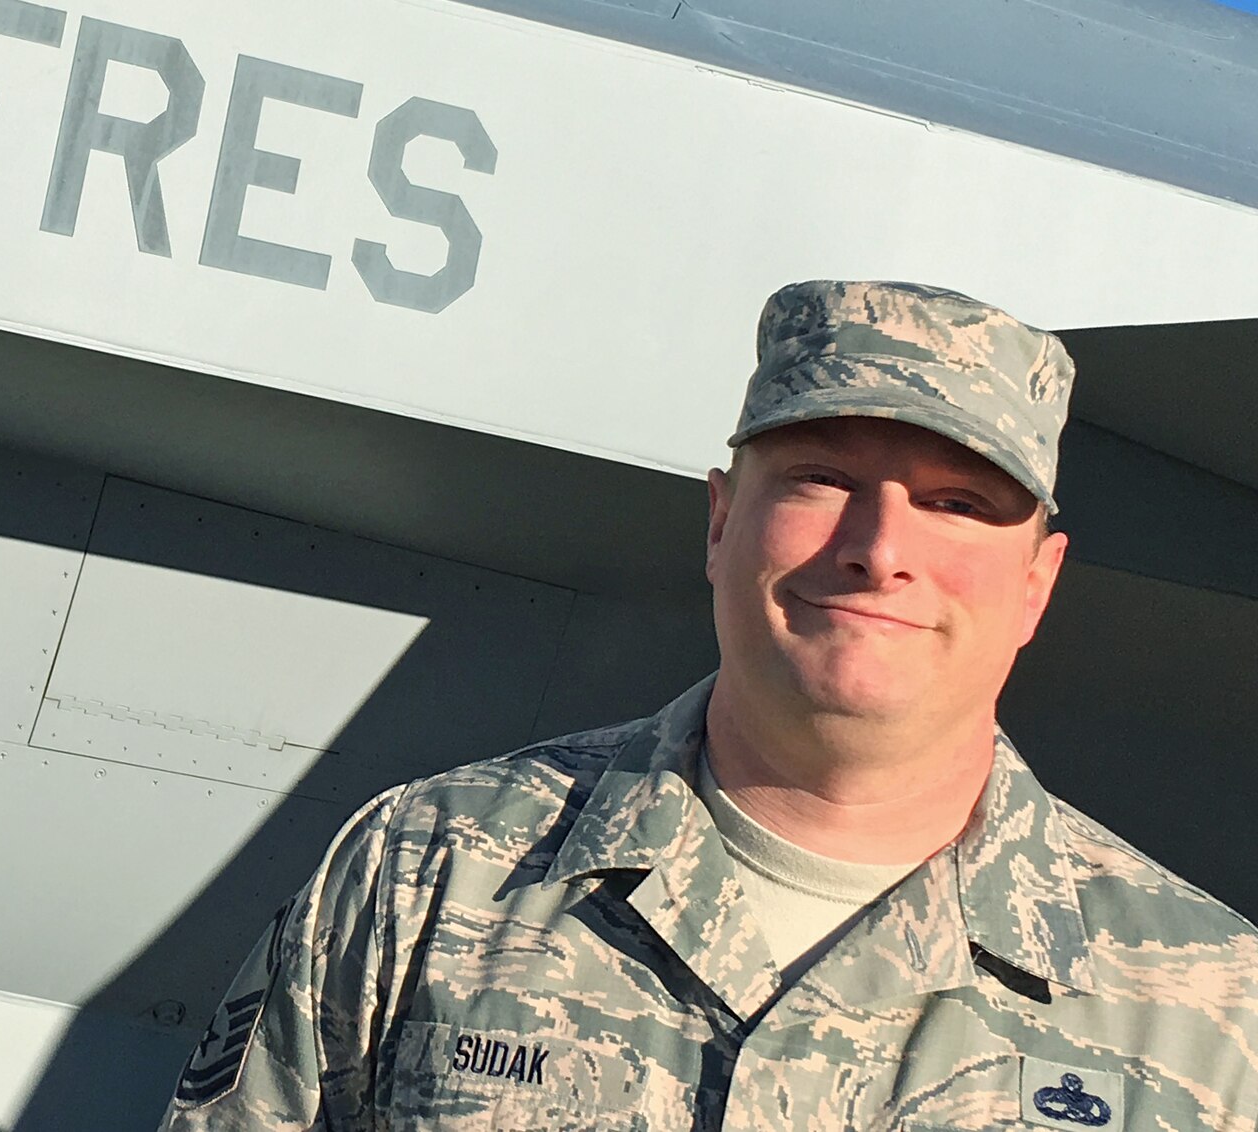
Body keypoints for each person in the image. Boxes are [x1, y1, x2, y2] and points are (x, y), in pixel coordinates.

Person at [157, 281, 1258, 1130]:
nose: (879, 550)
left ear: (1035, 584)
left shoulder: (1211, 1016)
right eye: (821, 479)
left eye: (955, 504)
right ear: (720, 522)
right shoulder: (432, 875)